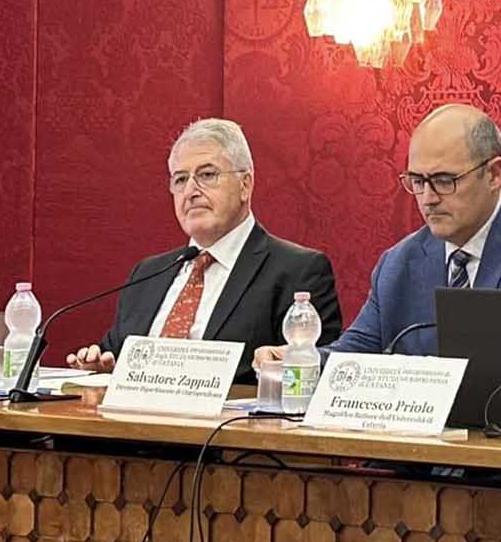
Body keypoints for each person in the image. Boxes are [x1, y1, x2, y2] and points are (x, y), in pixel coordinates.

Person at [256, 103, 501, 363]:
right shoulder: (398, 264)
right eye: (417, 181)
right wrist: (299, 360)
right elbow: (356, 353)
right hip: (414, 452)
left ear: (494, 174)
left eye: (445, 180)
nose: (428, 198)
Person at [67, 118, 341, 382]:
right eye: (180, 179)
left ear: (245, 185)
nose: (191, 191)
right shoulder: (147, 273)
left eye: (207, 175)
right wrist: (99, 368)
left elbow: (310, 375)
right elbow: (114, 355)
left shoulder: (298, 270)